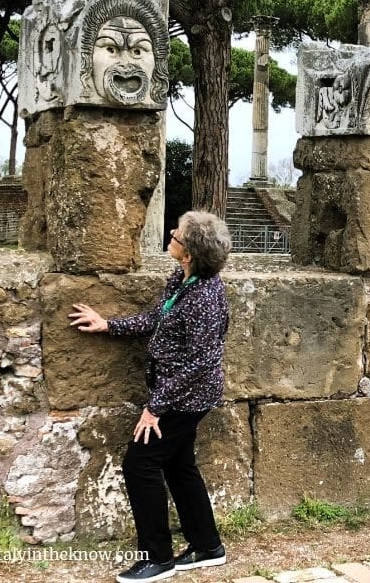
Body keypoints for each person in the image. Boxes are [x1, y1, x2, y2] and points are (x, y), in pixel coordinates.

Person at [69, 211, 232, 582]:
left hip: (186, 398)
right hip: (177, 393)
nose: (172, 234)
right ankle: (207, 546)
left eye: (178, 233)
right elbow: (156, 318)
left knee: (140, 464)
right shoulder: (182, 279)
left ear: (189, 252)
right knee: (179, 464)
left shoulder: (206, 298)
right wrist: (108, 325)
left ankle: (157, 557)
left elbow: (201, 363)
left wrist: (155, 407)